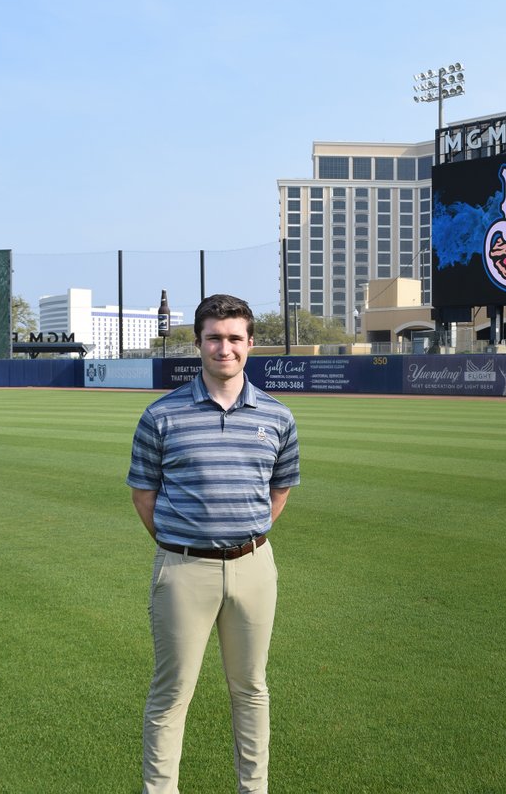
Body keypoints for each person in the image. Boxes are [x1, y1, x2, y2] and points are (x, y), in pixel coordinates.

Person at [127, 294, 300, 794]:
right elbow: (143, 494)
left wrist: (243, 536)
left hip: (254, 566)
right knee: (171, 693)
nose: (225, 348)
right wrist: (186, 541)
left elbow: (280, 489)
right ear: (199, 343)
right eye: (214, 338)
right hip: (183, 570)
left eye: (234, 338)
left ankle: (254, 789)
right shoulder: (162, 414)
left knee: (251, 689)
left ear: (251, 343)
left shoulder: (277, 416)